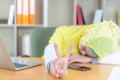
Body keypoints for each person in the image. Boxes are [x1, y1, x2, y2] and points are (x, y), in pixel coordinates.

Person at [44, 21, 120, 78]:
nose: (83, 54)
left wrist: (89, 59)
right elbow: (50, 48)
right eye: (84, 48)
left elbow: (117, 57)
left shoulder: (106, 45)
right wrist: (53, 62)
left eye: (86, 54)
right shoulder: (62, 32)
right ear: (85, 36)